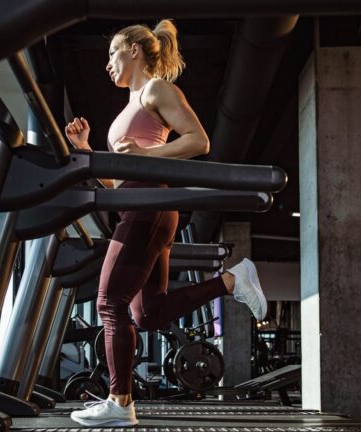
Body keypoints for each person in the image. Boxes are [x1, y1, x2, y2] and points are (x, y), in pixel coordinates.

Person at [65, 19, 267, 427]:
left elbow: (199, 140)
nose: (107, 64)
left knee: (108, 303)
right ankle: (231, 281)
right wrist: (87, 151)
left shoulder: (156, 90)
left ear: (133, 50)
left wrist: (143, 154)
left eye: (112, 54)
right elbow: (116, 179)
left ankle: (120, 402)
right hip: (139, 207)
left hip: (149, 208)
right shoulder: (130, 105)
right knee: (147, 315)